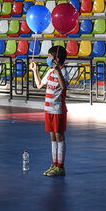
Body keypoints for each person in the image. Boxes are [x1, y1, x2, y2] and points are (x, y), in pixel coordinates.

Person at [30, 45, 70, 177]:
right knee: (52, 137)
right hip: (48, 109)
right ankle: (54, 164)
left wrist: (58, 71)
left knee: (59, 136)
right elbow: (39, 84)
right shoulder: (49, 72)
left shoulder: (63, 72)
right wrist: (35, 71)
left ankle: (61, 166)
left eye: (49, 56)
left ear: (56, 59)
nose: (48, 59)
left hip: (58, 109)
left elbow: (64, 86)